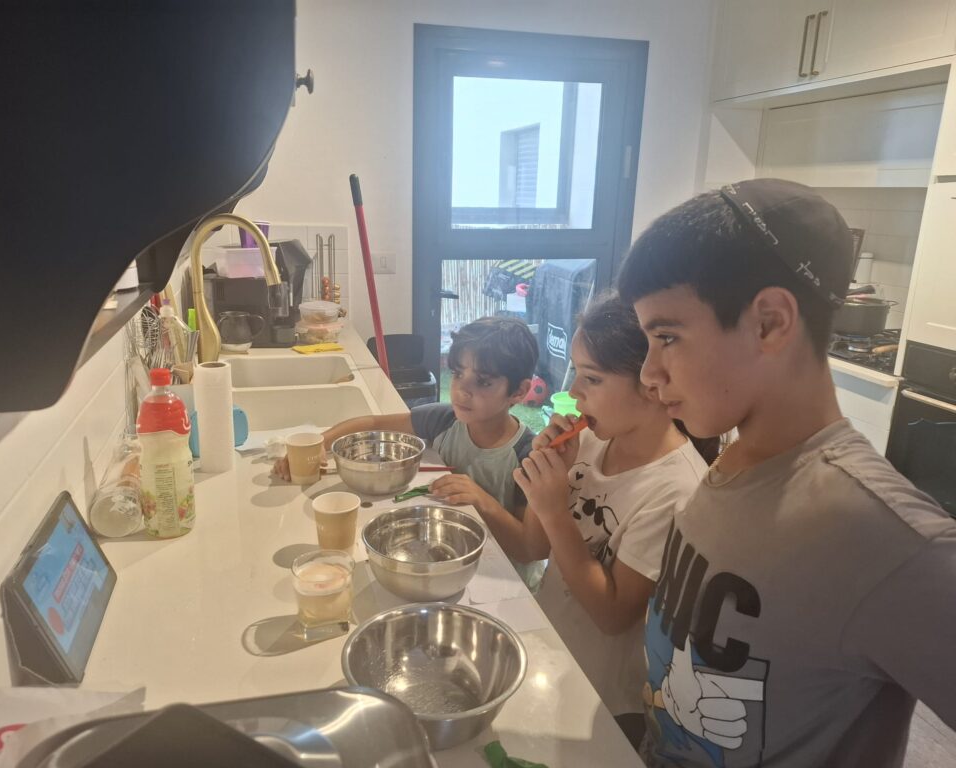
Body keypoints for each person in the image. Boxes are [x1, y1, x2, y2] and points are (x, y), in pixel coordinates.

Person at [617, 178, 956, 767]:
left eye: (666, 337)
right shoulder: (732, 455)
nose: (648, 373)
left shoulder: (877, 532)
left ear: (770, 323)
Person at [476, 294, 712, 747]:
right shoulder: (591, 442)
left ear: (651, 383)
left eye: (592, 378)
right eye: (577, 374)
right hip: (552, 655)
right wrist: (547, 477)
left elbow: (612, 614)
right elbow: (534, 548)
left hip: (604, 700)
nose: (574, 391)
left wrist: (554, 509)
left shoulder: (678, 491)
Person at [274, 315, 544, 585]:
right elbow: (372, 424)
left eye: (483, 382)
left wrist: (481, 500)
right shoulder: (444, 420)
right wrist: (317, 445)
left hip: (503, 582)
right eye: (459, 373)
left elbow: (529, 550)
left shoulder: (529, 457)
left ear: (519, 392)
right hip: (445, 561)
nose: (462, 390)